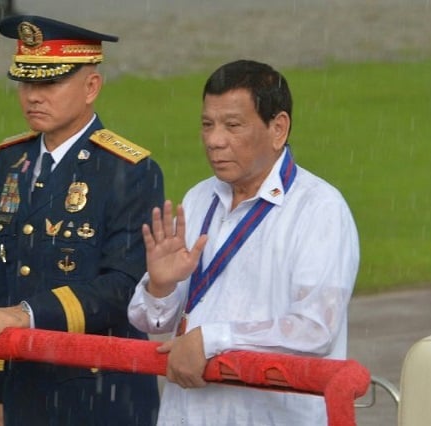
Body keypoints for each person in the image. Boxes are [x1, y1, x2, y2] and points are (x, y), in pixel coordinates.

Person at [128, 59, 360, 425]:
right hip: (189, 414)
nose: (214, 140)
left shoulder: (320, 209)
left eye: (232, 125)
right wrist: (161, 285)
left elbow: (316, 328)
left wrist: (212, 339)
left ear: (278, 128)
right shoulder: (198, 198)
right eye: (207, 124)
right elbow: (151, 324)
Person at [0, 15, 163, 426]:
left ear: (91, 87)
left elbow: (123, 288)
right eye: (25, 83)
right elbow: (6, 281)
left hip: (101, 391)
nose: (32, 97)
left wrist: (27, 314)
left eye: (48, 83)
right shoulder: (11, 160)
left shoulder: (129, 169)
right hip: (26, 387)